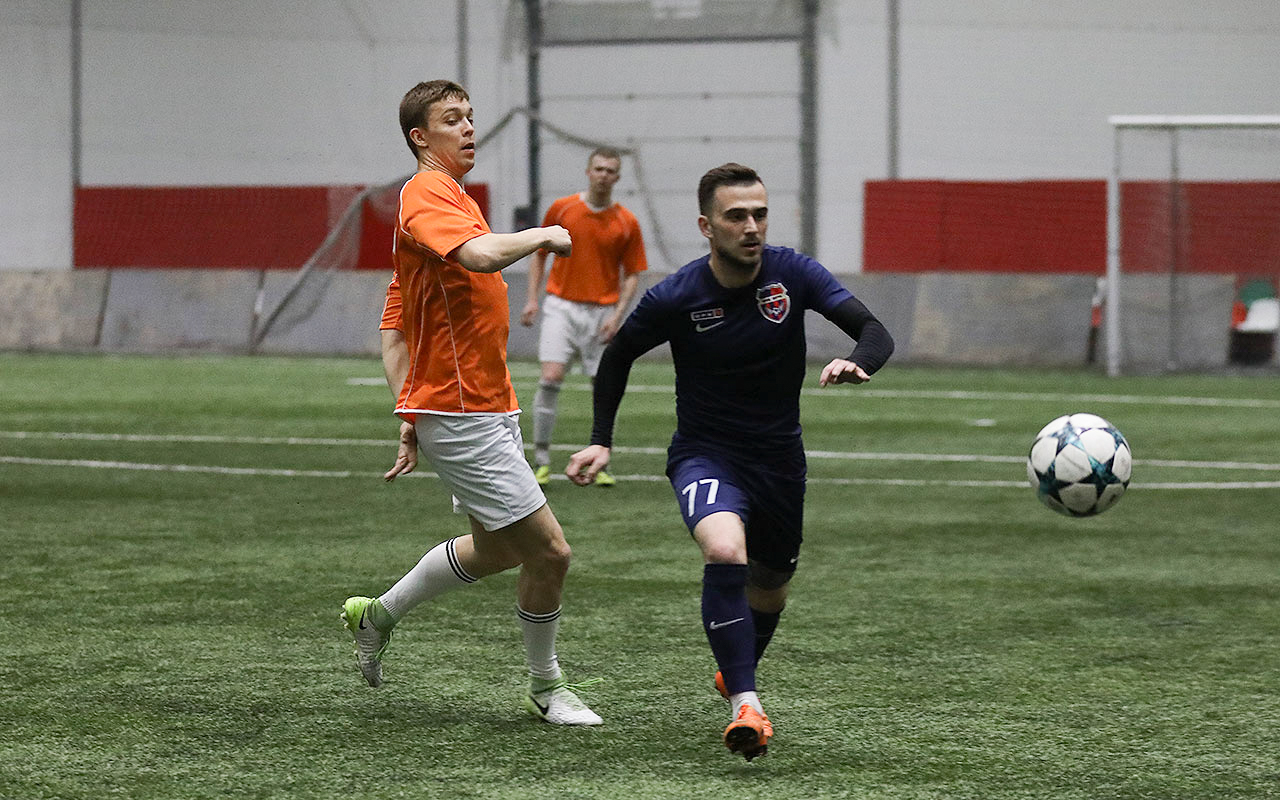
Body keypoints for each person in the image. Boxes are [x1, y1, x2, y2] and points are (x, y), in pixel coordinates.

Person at [566, 163, 894, 758]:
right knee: (724, 551)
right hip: (705, 454)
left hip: (779, 462)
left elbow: (873, 329)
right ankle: (747, 703)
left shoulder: (794, 273)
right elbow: (617, 356)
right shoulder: (677, 295)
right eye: (736, 216)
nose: (751, 227)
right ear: (707, 226)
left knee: (771, 586)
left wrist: (859, 361)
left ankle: (735, 670)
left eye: (760, 214)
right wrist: (600, 438)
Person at [341, 79, 601, 726]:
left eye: (470, 117)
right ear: (419, 137)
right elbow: (481, 257)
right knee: (550, 552)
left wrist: (409, 411)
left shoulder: (451, 200)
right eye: (452, 119)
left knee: (499, 549)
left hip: (478, 405)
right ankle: (546, 687)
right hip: (463, 414)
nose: (468, 128)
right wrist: (544, 234)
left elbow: (395, 328)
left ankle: (377, 616)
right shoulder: (425, 194)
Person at [519, 147, 648, 487]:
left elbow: (633, 274)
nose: (604, 175)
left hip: (602, 311)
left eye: (610, 171)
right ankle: (542, 461)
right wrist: (532, 299)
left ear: (617, 177)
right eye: (599, 169)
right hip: (561, 305)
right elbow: (539, 253)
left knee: (603, 385)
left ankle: (599, 458)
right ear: (588, 172)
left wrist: (617, 315)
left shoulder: (627, 222)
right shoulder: (563, 209)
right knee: (550, 378)